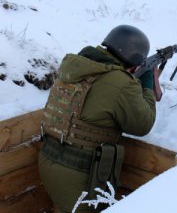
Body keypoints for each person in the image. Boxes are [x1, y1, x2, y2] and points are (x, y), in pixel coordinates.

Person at [38, 25, 156, 213]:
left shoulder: (78, 66)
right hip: (79, 174)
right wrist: (147, 85)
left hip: (48, 159)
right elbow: (143, 124)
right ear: (134, 59)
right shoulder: (123, 83)